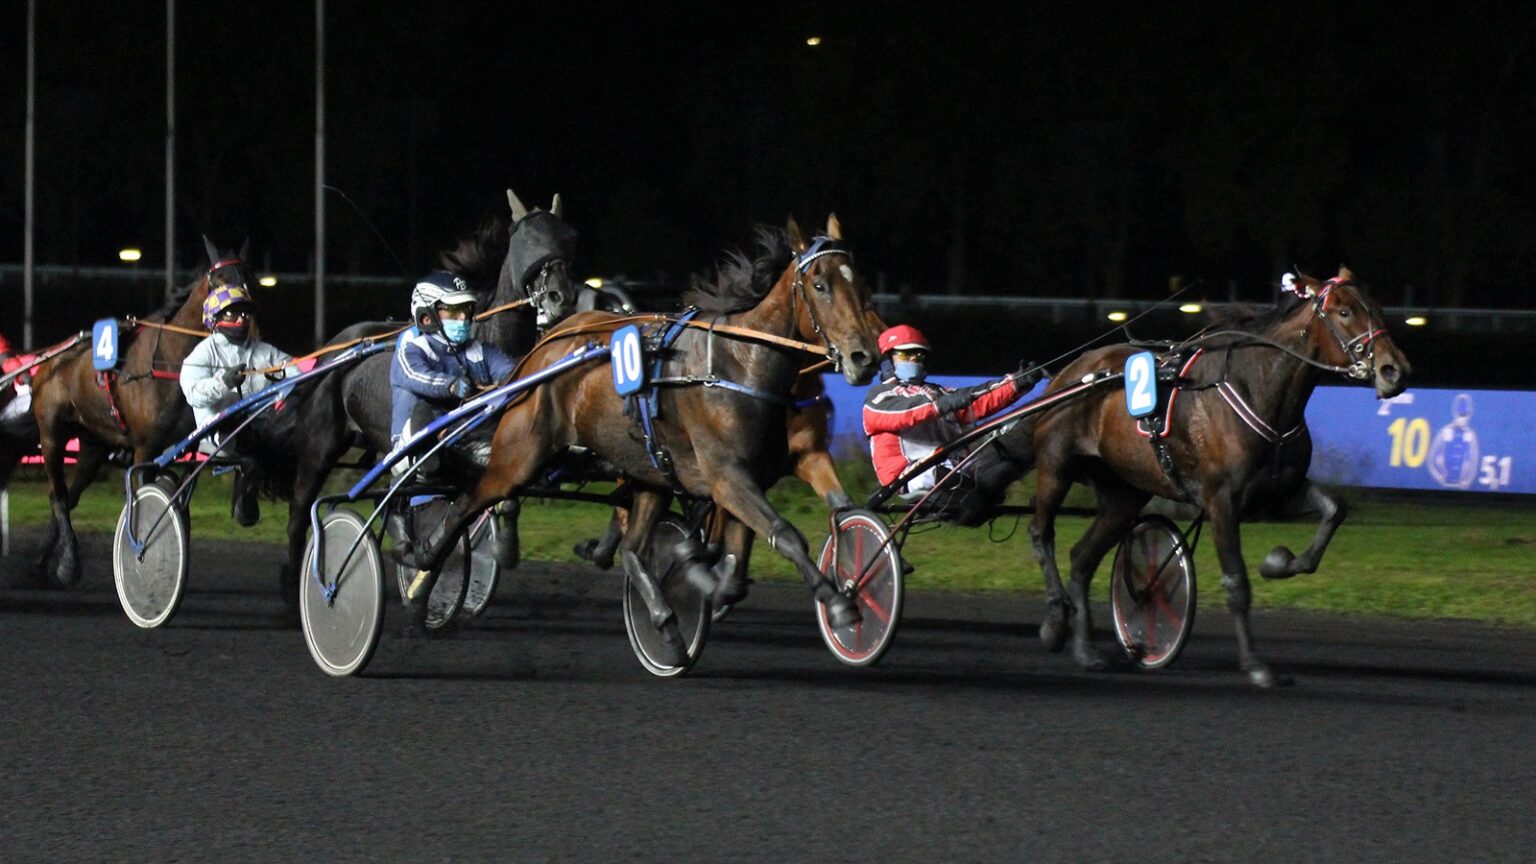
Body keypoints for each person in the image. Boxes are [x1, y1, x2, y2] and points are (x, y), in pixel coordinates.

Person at [862, 324, 1041, 524]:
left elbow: (978, 399)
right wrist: (942, 404)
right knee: (958, 477)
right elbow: (907, 412)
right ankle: (974, 496)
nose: (914, 360)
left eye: (919, 356)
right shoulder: (878, 398)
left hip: (954, 466)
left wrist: (1016, 383)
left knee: (1008, 451)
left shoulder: (937, 392)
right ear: (888, 360)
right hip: (911, 475)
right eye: (905, 356)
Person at [180, 283, 296, 525]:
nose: (242, 318)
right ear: (216, 318)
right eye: (234, 312)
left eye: (245, 312)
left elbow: (294, 373)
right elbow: (193, 393)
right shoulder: (203, 354)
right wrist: (223, 382)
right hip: (218, 430)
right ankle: (247, 491)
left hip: (258, 424)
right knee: (253, 450)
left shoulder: (264, 351)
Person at [389, 271, 517, 476]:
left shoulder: (481, 350)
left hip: (469, 432)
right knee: (425, 410)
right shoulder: (412, 349)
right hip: (413, 443)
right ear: (427, 316)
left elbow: (512, 374)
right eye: (454, 311)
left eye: (467, 310)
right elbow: (416, 376)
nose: (464, 318)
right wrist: (450, 386)